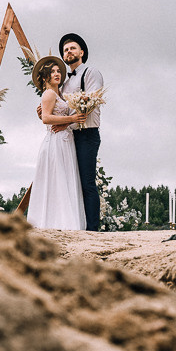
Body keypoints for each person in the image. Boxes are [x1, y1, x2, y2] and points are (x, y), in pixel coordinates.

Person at [26, 56, 88, 230]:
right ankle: (55, 222)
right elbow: (46, 118)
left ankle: (66, 220)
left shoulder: (59, 94)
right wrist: (72, 118)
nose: (57, 74)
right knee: (56, 180)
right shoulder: (49, 94)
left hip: (65, 141)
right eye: (52, 72)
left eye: (58, 71)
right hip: (55, 141)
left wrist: (68, 121)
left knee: (65, 179)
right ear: (45, 77)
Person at [58, 32, 105, 231]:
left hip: (87, 134)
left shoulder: (91, 73)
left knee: (87, 182)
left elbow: (93, 99)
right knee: (71, 182)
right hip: (68, 135)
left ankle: (92, 229)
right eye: (65, 50)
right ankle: (76, 225)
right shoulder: (63, 83)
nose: (69, 52)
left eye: (72, 48)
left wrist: (77, 110)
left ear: (82, 52)